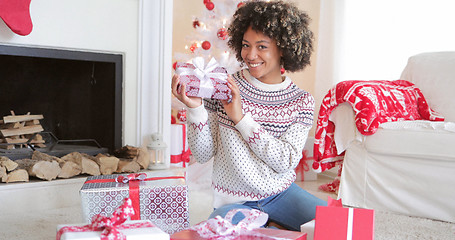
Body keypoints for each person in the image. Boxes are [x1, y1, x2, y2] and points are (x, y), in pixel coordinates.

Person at [171, 0, 326, 231]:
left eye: (262, 46)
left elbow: (286, 161)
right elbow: (203, 154)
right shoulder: (224, 85)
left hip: (281, 194)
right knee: (212, 235)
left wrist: (241, 119)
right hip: (235, 201)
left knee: (339, 225)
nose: (250, 55)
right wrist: (195, 109)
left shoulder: (301, 101)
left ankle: (272, 225)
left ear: (283, 48)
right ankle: (273, 227)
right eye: (245, 45)